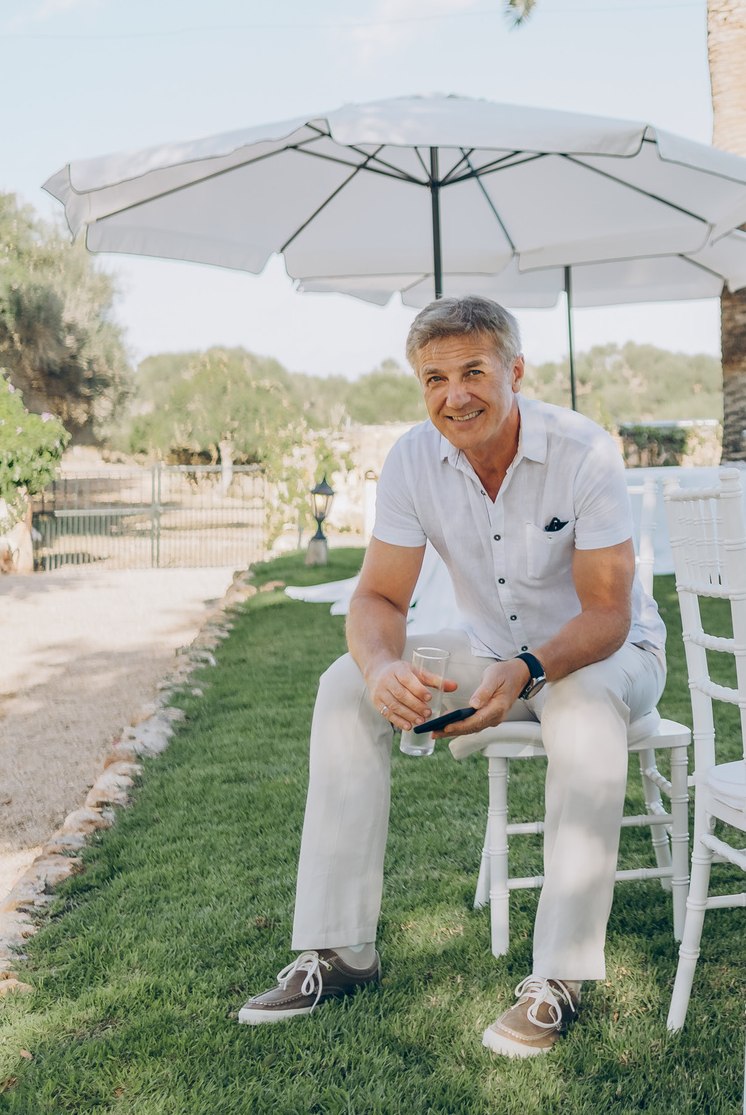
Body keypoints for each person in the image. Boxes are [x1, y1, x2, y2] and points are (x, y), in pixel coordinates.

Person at [238, 294, 665, 1057]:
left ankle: (558, 979)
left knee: (584, 701)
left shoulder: (584, 451)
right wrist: (381, 666)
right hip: (491, 650)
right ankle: (340, 952)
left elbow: (609, 613)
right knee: (342, 685)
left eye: (473, 371)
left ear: (516, 371)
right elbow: (377, 596)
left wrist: (530, 669)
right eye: (434, 378)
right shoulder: (411, 459)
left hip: (605, 654)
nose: (454, 394)